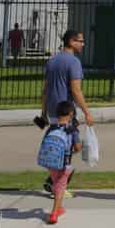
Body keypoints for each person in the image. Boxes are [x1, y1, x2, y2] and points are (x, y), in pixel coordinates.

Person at [42, 30, 94, 196]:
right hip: (65, 112)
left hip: (53, 111)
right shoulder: (73, 62)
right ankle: (57, 185)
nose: (83, 44)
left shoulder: (52, 61)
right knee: (75, 146)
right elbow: (76, 90)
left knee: (66, 145)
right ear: (71, 41)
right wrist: (87, 112)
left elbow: (45, 89)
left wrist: (44, 111)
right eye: (81, 41)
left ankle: (53, 181)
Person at [37, 100, 81, 225]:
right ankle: (54, 213)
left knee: (57, 184)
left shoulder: (52, 127)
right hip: (63, 163)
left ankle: (59, 208)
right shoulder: (72, 130)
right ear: (71, 114)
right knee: (60, 188)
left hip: (50, 163)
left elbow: (44, 144)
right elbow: (77, 148)